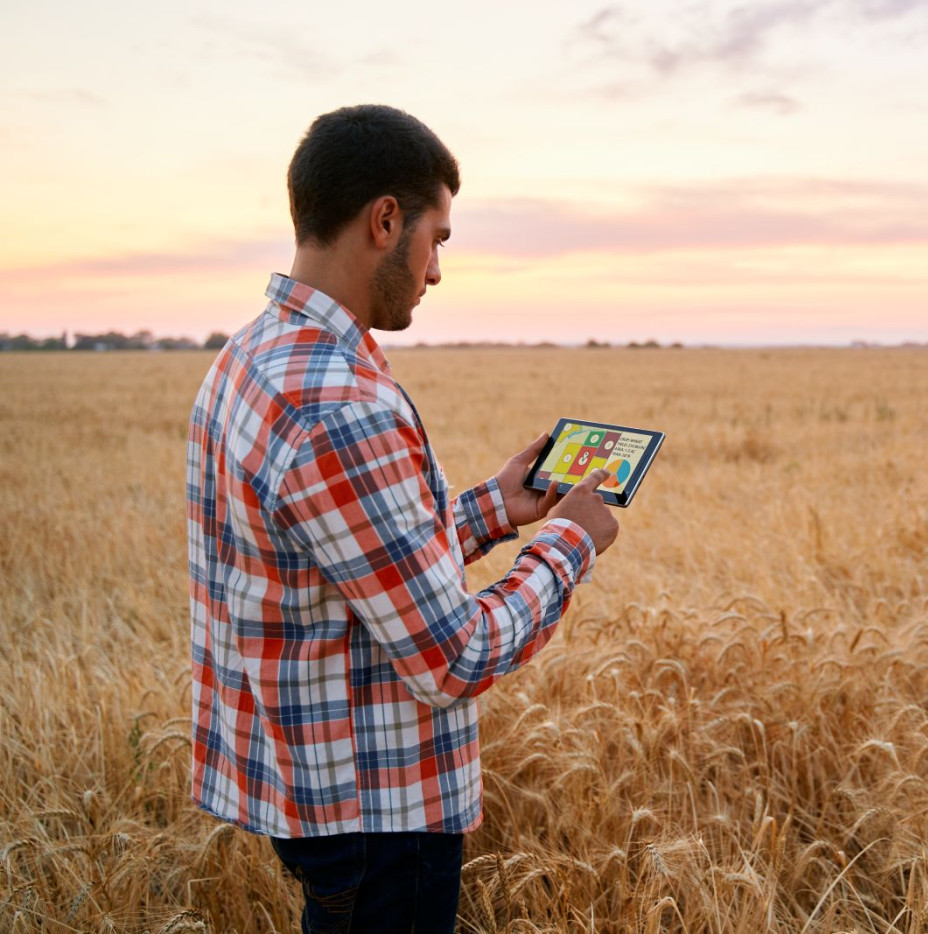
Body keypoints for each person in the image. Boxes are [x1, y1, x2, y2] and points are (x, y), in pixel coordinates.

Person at [185, 104, 619, 933]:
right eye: (439, 238)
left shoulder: (254, 355)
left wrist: (496, 509)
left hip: (311, 794)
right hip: (379, 813)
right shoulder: (339, 404)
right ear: (385, 220)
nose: (438, 270)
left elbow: (349, 568)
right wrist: (570, 543)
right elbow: (454, 654)